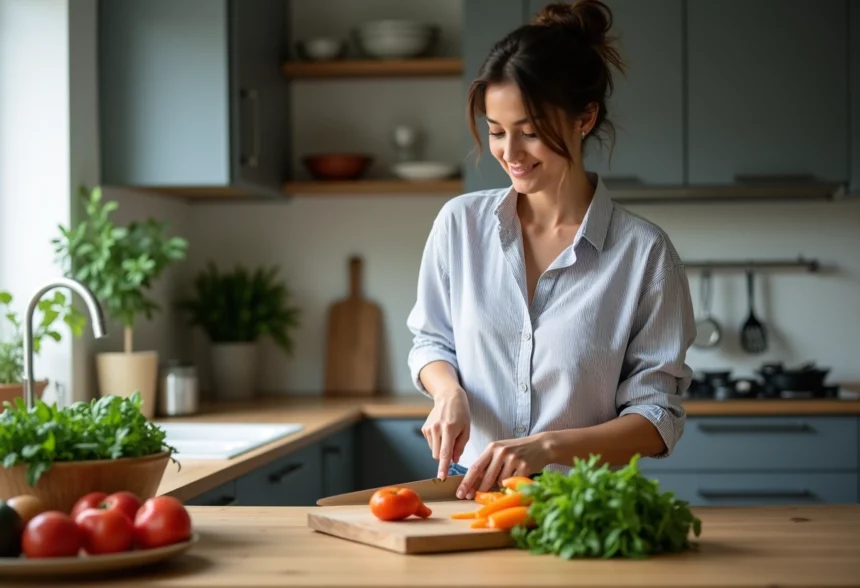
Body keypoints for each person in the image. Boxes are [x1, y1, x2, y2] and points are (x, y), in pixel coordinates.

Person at [406, 0, 696, 501]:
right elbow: (431, 343)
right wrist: (447, 391)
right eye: (496, 132)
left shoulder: (644, 255)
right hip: (472, 499)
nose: (509, 154)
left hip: (583, 508)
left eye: (530, 132)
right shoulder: (459, 226)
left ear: (585, 118)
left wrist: (548, 448)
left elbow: (657, 419)